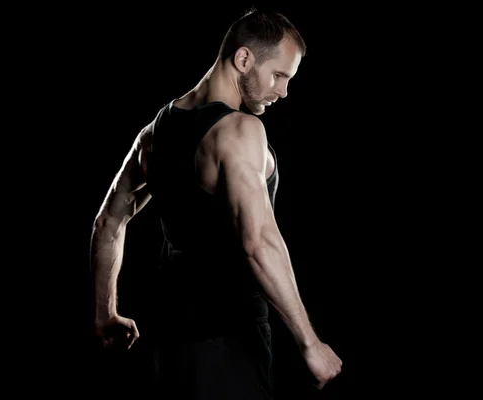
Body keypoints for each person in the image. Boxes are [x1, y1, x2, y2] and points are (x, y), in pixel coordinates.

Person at [89, 8, 342, 399]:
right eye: (278, 75)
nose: (284, 91)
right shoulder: (239, 131)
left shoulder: (153, 133)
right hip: (228, 345)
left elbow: (107, 223)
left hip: (167, 344)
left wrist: (105, 315)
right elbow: (258, 242)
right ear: (243, 59)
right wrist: (310, 343)